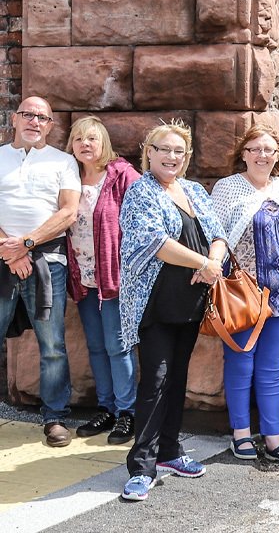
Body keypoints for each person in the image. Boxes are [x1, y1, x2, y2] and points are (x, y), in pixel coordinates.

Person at [118, 121, 226, 502]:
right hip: (155, 305)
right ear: (148, 152)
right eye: (164, 149)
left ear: (187, 157)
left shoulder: (195, 190)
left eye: (179, 151)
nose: (171, 157)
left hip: (191, 304)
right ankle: (141, 466)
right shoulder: (140, 192)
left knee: (178, 377)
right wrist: (204, 263)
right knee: (156, 381)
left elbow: (218, 234)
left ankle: (169, 451)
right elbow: (156, 243)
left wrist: (212, 261)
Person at [212, 125, 279, 467]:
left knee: (272, 369)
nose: (263, 155)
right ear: (244, 153)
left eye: (269, 149)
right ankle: (240, 433)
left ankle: (274, 437)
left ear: (277, 156)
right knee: (241, 364)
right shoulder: (228, 188)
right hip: (243, 293)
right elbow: (215, 234)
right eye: (256, 149)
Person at [0, 96, 81, 447]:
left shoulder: (63, 162)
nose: (35, 122)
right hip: (2, 258)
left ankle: (55, 417)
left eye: (43, 118)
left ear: (50, 126)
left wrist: (27, 245)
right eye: (28, 115)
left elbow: (68, 212)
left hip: (47, 260)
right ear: (15, 119)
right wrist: (9, 250)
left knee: (51, 344)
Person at [66, 116, 140, 444]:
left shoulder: (121, 174)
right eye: (79, 138)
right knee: (96, 346)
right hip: (82, 276)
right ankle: (106, 407)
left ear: (104, 142)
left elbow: (142, 215)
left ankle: (128, 412)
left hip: (114, 278)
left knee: (117, 345)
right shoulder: (68, 175)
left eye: (92, 138)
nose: (85, 144)